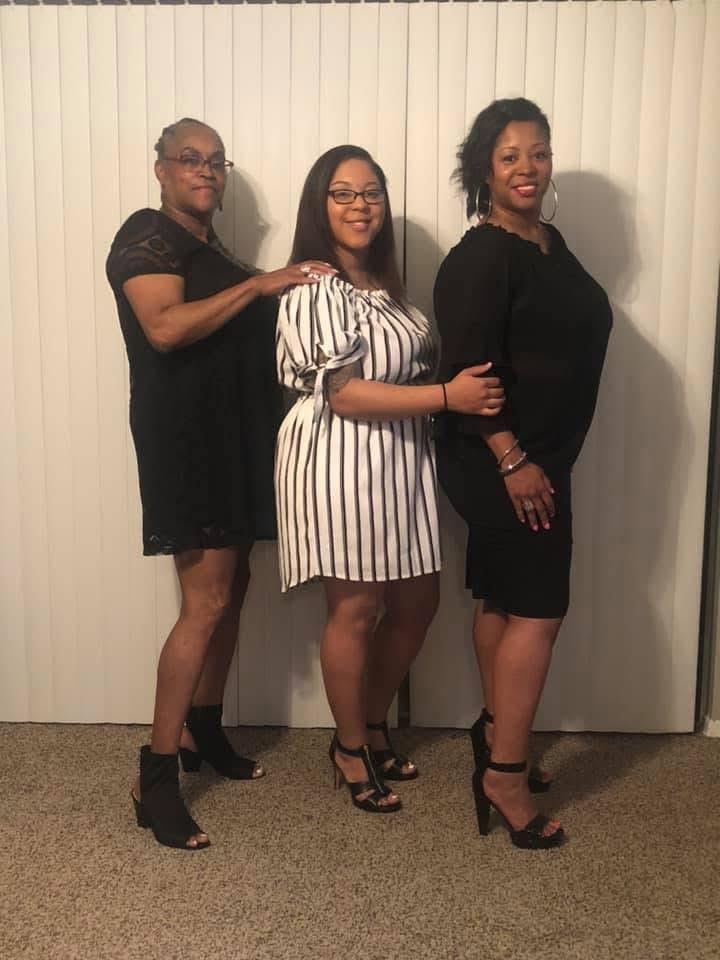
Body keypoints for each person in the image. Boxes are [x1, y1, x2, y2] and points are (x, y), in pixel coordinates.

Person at [106, 118, 335, 850]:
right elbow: (165, 328)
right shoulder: (147, 234)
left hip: (238, 439)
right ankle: (157, 774)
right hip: (188, 443)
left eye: (215, 162)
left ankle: (205, 725)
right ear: (161, 169)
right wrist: (263, 283)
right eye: (189, 159)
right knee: (202, 603)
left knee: (232, 593)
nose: (205, 171)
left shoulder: (212, 248)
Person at [275, 145, 504, 814]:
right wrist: (448, 398)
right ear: (320, 207)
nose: (359, 205)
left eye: (371, 192)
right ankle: (349, 747)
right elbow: (342, 394)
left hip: (399, 457)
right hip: (339, 456)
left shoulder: (385, 288)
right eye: (343, 193)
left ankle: (371, 721)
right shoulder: (316, 285)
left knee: (417, 601)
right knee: (356, 608)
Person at [434, 98, 612, 848]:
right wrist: (512, 458)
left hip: (540, 459)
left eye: (537, 152)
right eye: (509, 155)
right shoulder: (479, 257)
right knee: (538, 612)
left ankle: (496, 736)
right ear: (483, 169)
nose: (527, 167)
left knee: (507, 602)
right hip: (505, 461)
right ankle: (505, 774)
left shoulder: (547, 241)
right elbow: (468, 375)